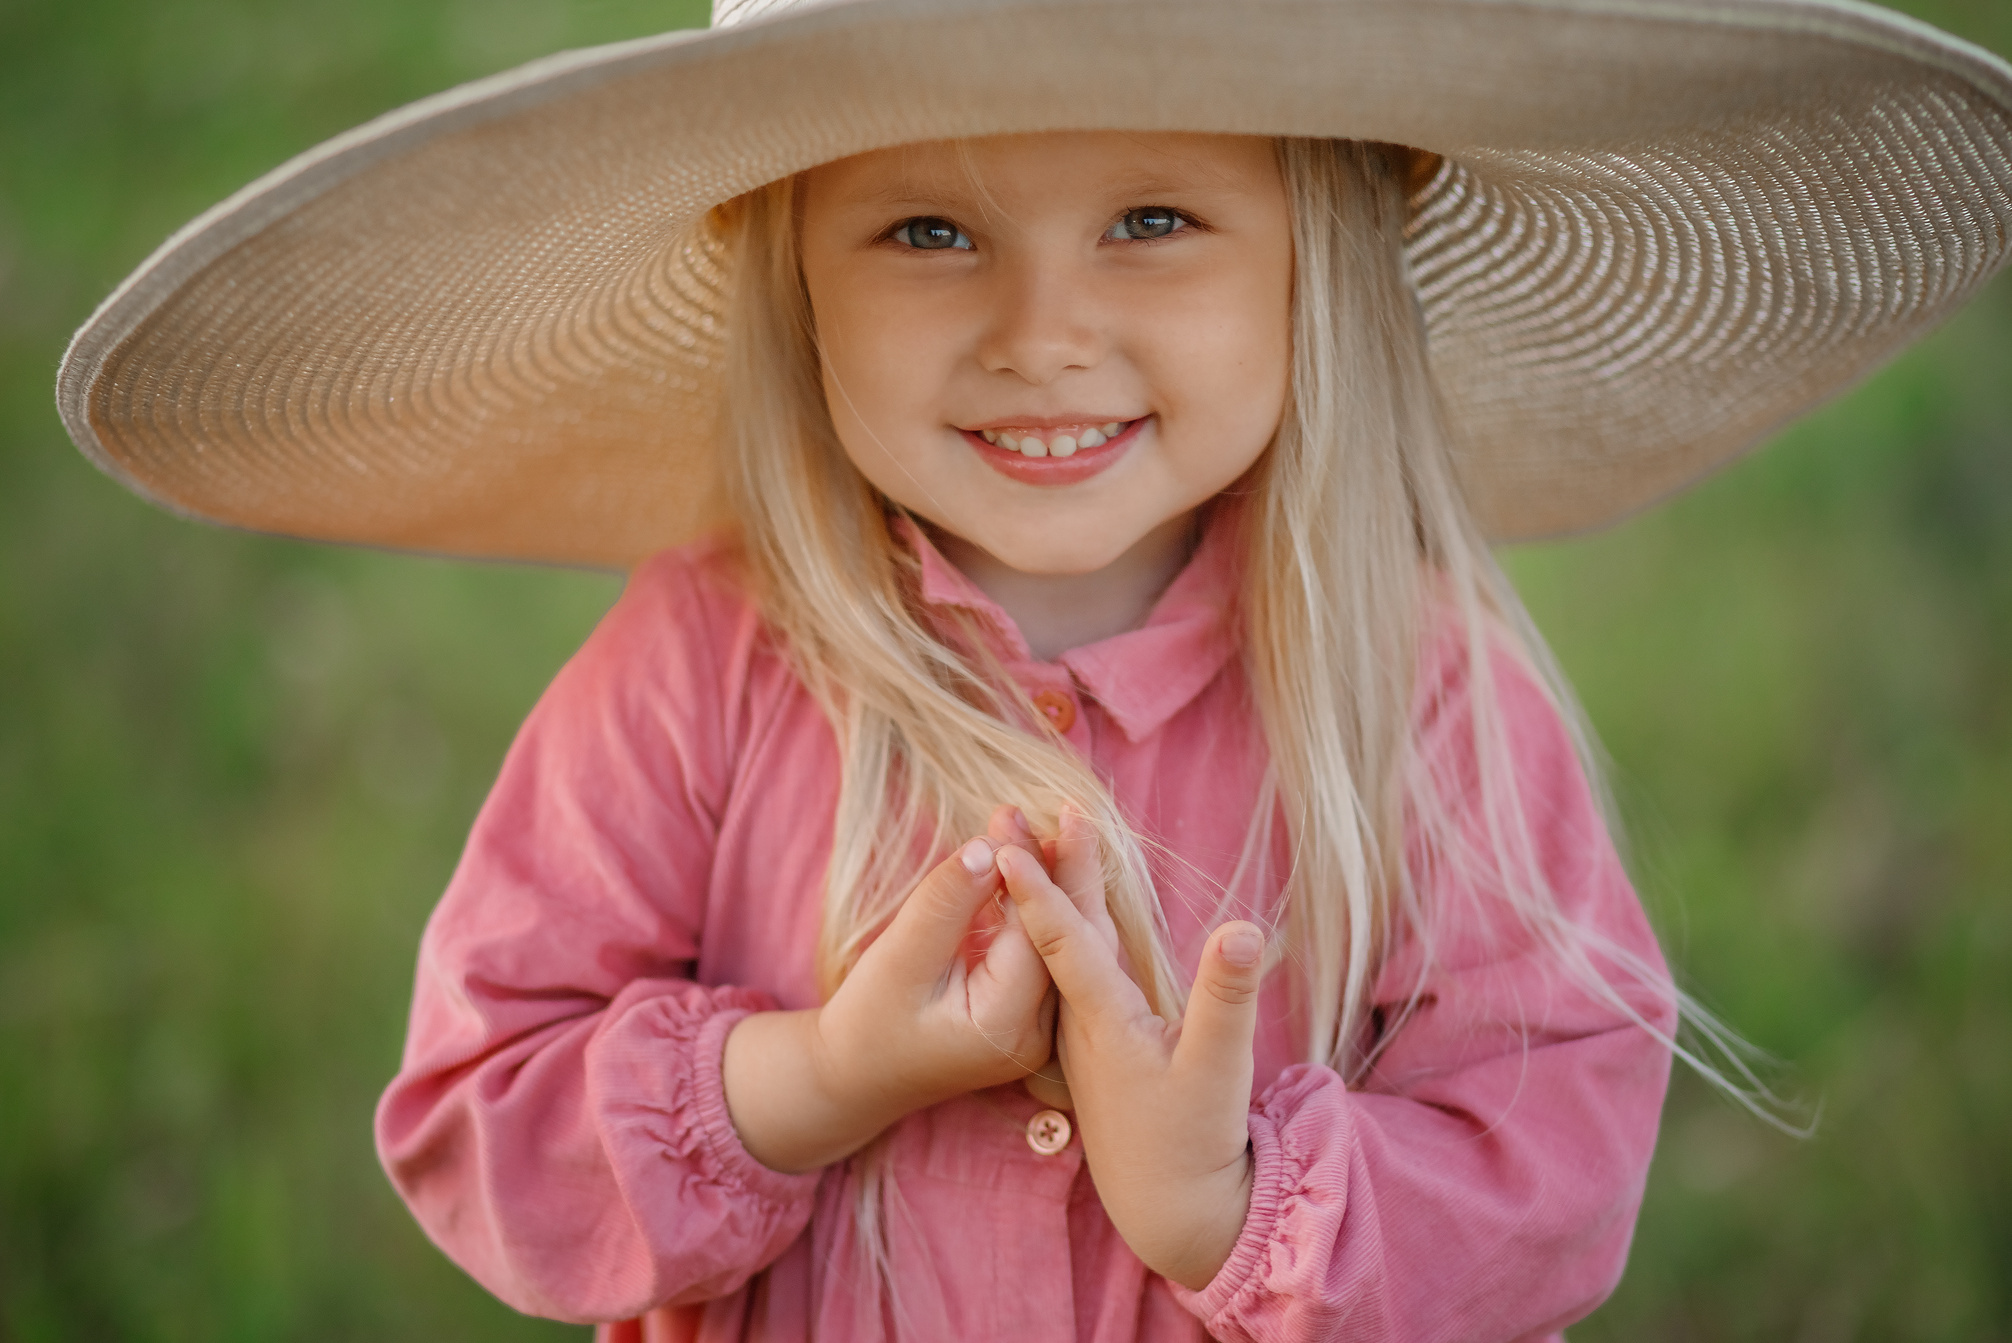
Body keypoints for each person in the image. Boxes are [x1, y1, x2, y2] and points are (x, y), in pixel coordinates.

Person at [55, 1, 2012, 1339]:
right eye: (926, 230)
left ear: (1323, 241)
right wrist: (813, 1080)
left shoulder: (1412, 685)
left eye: (1154, 220)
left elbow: (1554, 1158)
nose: (1041, 332)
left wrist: (1226, 1202)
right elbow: (474, 1111)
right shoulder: (709, 660)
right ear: (788, 270)